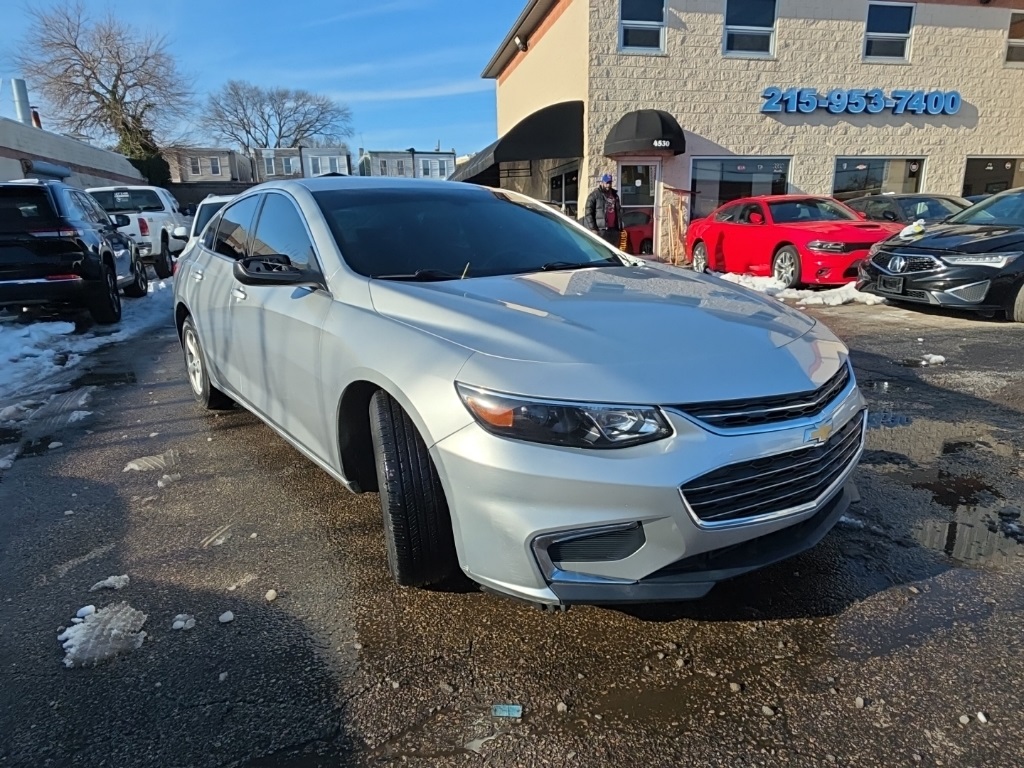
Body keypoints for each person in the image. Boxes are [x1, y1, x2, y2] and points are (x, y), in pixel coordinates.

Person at [584, 173, 624, 248]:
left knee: (614, 253)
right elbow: (588, 212)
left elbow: (619, 211)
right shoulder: (595, 195)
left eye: (610, 183)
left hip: (614, 230)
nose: (608, 185)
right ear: (602, 182)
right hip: (601, 230)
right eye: (607, 183)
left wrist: (620, 227)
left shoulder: (615, 195)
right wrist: (593, 228)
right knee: (601, 252)